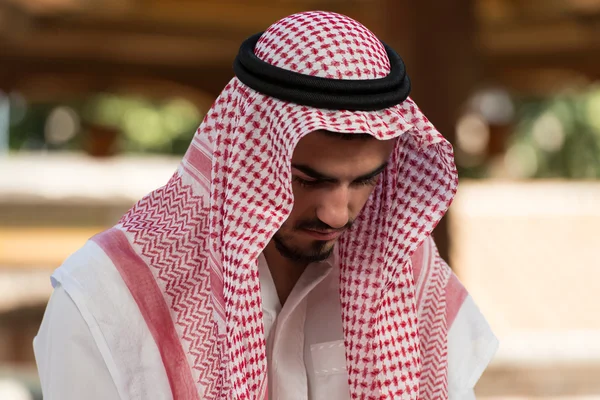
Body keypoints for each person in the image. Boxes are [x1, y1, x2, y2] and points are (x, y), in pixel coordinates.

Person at [33, 10, 497, 400]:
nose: (337, 212)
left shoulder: (408, 277)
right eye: (308, 180)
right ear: (248, 156)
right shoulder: (108, 298)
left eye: (364, 181)